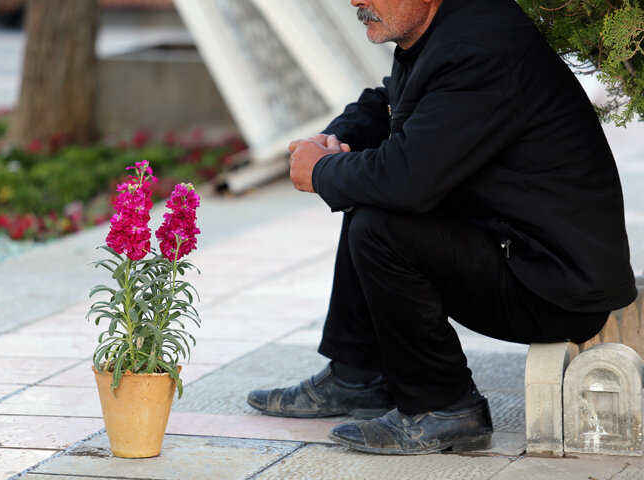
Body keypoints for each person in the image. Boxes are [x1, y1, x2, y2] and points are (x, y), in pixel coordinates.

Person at [246, 0, 636, 455]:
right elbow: (389, 101)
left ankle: (444, 407)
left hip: (555, 286)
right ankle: (358, 375)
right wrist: (328, 142)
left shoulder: (481, 46)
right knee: (368, 191)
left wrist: (320, 172)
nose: (355, 0)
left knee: (380, 221)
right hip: (520, 247)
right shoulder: (444, 27)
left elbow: (407, 180)